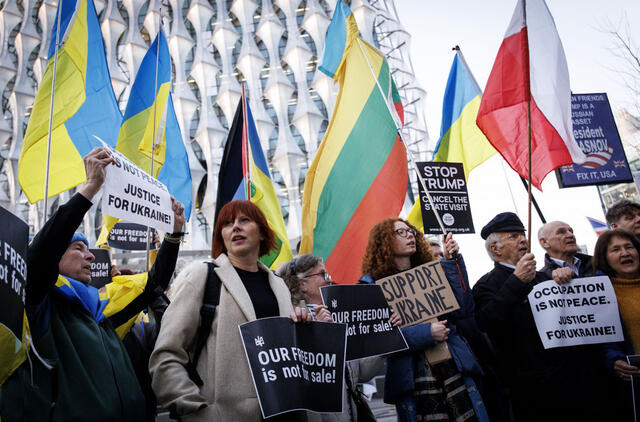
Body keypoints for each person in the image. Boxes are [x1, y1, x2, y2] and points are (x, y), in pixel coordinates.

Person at [0, 147, 185, 422]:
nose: (90, 256)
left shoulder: (102, 310)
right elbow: (40, 256)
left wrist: (174, 234)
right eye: (78, 248)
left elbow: (154, 283)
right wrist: (89, 189)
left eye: (88, 249)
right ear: (55, 256)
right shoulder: (39, 303)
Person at [150, 200, 312, 422]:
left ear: (262, 233)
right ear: (222, 236)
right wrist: (196, 411)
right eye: (227, 223)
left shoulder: (279, 285)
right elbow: (166, 356)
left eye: (244, 220)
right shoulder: (202, 276)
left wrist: (303, 328)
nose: (235, 226)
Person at [473, 212, 609, 422]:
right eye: (513, 236)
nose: (522, 240)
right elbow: (486, 321)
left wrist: (565, 277)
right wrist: (516, 282)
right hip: (532, 388)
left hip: (571, 379)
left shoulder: (544, 277)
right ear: (495, 249)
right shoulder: (486, 285)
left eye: (522, 235)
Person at [359, 218, 488, 422]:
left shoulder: (433, 271)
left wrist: (451, 262)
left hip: (453, 366)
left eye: (410, 231)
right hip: (413, 377)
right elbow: (380, 339)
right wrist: (427, 333)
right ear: (384, 241)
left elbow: (463, 310)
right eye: (400, 232)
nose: (410, 235)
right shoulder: (371, 287)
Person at [278, 254, 401, 422]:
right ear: (302, 284)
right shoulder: (291, 319)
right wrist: (321, 333)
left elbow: (362, 374)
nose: (329, 279)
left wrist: (386, 337)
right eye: (322, 274)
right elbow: (302, 380)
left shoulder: (339, 314)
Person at [591, 229, 640, 419]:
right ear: (604, 258)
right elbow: (601, 340)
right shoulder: (597, 293)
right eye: (616, 249)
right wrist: (614, 359)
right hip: (631, 384)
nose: (625, 253)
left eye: (629, 247)